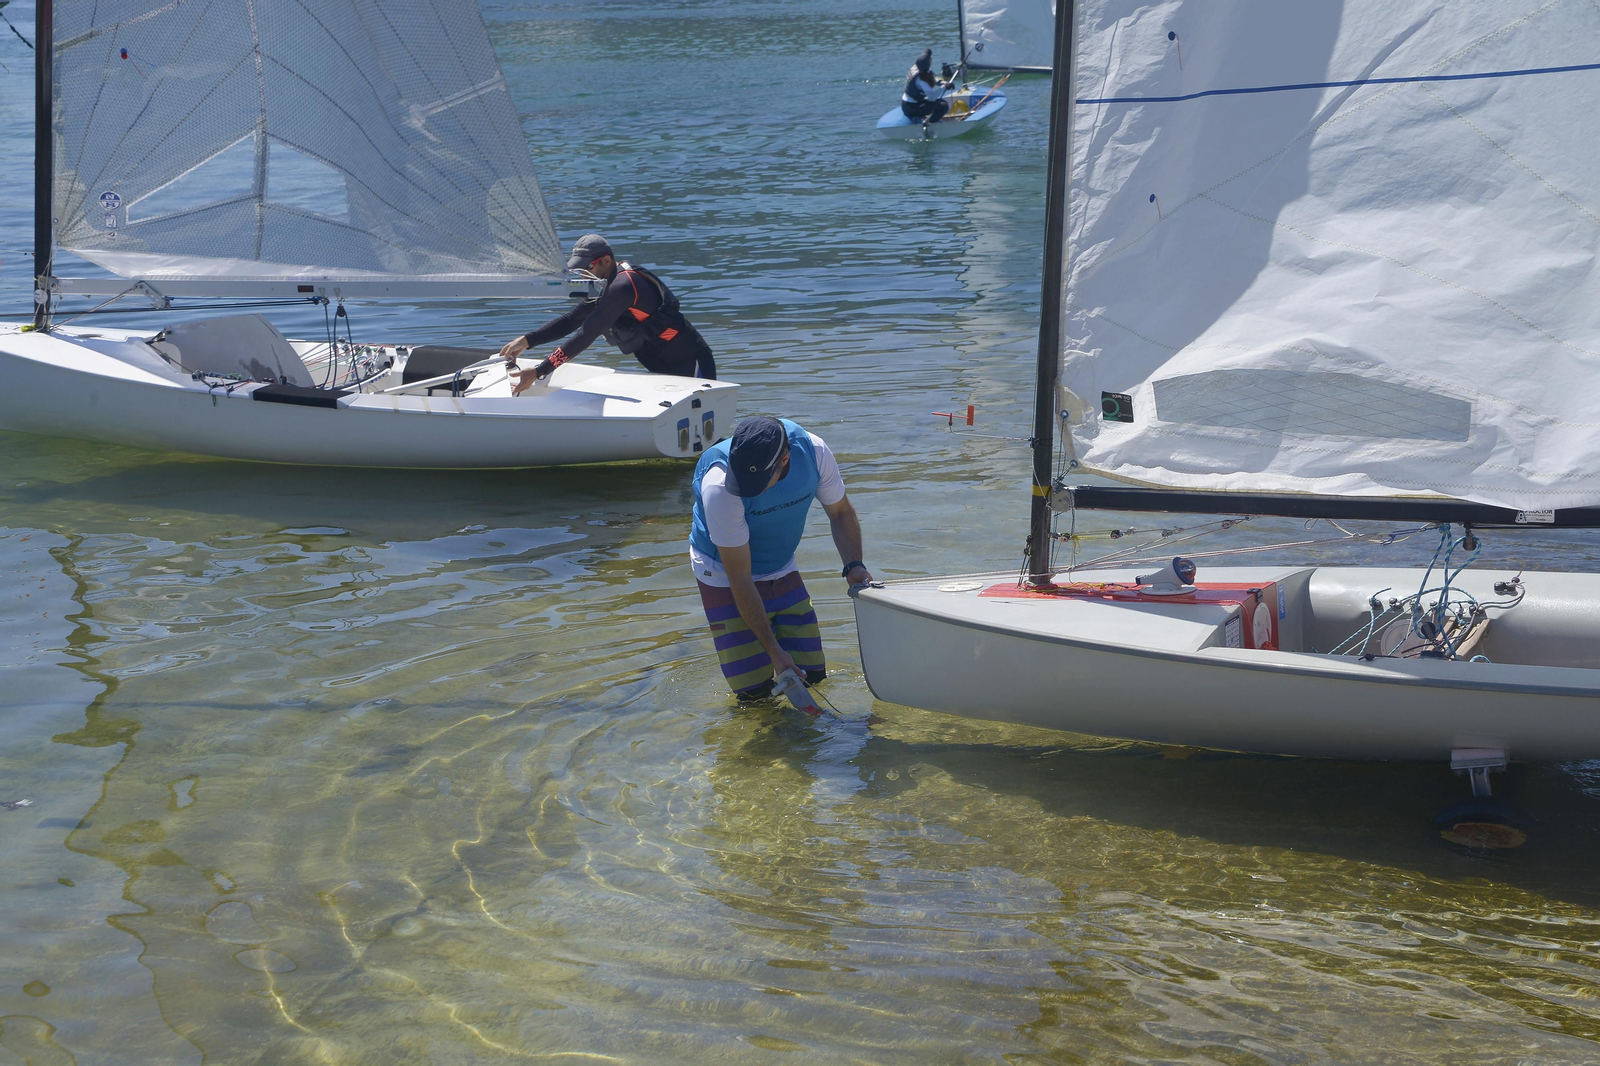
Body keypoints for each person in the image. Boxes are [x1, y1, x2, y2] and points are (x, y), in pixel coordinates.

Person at [689, 416, 874, 700]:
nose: (747, 487)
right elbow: (739, 577)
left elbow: (840, 512)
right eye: (743, 479)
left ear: (785, 459)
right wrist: (774, 651)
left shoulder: (814, 451)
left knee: (814, 677)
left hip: (781, 563)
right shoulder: (720, 485)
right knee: (755, 695)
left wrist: (854, 564)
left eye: (756, 480)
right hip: (723, 573)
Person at [498, 234, 715, 395]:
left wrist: (540, 371)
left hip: (689, 361)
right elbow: (571, 320)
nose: (584, 274)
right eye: (579, 269)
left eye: (587, 268)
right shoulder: (603, 284)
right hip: (658, 363)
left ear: (606, 261)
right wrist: (527, 340)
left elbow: (586, 334)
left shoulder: (622, 286)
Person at [900, 48, 950, 127]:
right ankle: (930, 124)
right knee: (943, 106)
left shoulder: (918, 67)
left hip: (907, 103)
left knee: (939, 102)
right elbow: (932, 97)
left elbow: (931, 77)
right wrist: (944, 87)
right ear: (929, 61)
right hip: (912, 108)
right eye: (930, 58)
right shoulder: (921, 80)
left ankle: (928, 118)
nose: (931, 58)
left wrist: (941, 83)